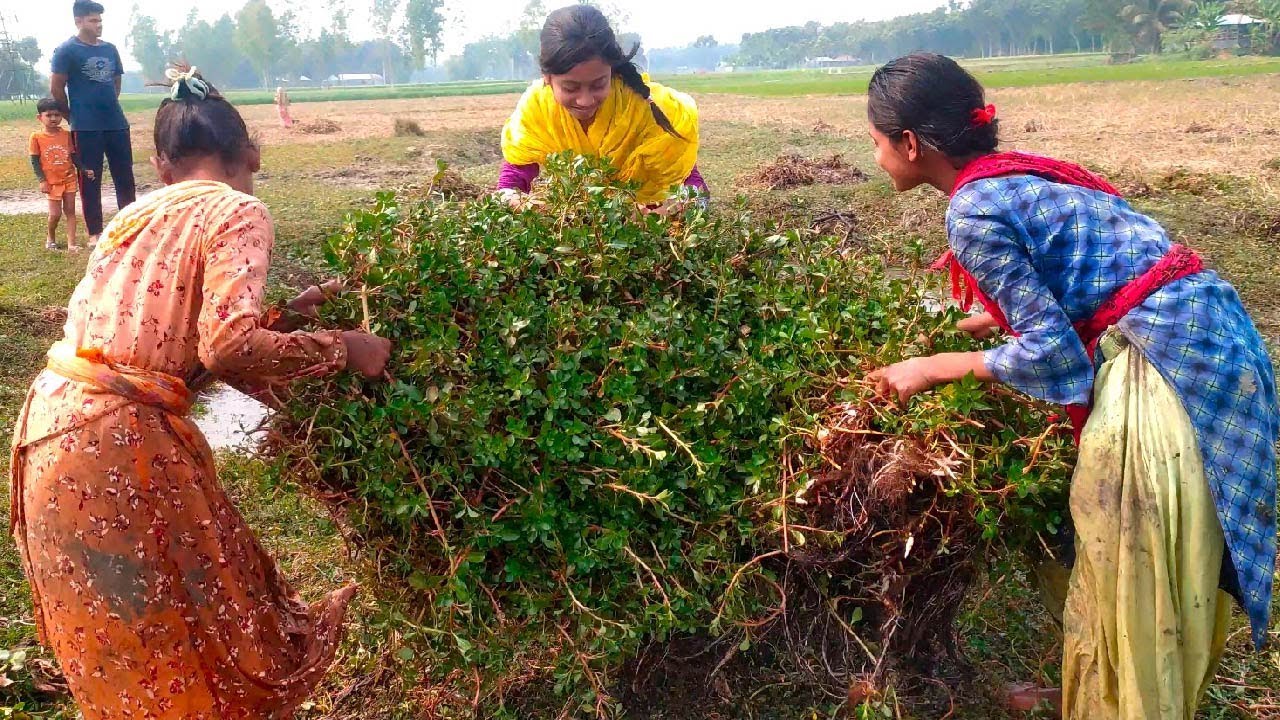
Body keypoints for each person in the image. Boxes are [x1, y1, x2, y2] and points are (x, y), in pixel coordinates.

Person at [863, 53, 1277, 719]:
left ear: (910, 143)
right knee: (1169, 564)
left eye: (877, 141)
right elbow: (1080, 276)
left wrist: (931, 367)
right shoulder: (1015, 174)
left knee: (1135, 569)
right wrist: (984, 319)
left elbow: (1055, 359)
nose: (876, 155)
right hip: (1213, 338)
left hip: (1166, 364)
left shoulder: (972, 208)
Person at [9, 66, 392, 719]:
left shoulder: (134, 216)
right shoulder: (238, 209)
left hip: (49, 424)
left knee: (123, 624)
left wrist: (287, 318)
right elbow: (228, 346)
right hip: (118, 440)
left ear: (162, 167)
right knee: (209, 620)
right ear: (252, 155)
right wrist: (343, 349)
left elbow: (172, 344)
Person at [498, 4, 706, 211]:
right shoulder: (537, 108)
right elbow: (512, 181)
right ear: (547, 77)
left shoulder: (647, 106)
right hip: (580, 219)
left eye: (598, 85)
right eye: (570, 88)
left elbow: (694, 188)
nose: (585, 100)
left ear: (612, 70)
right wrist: (514, 201)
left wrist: (664, 214)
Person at [51, 0, 136, 246]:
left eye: (100, 20)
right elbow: (56, 88)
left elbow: (116, 82)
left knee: (125, 176)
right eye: (93, 20)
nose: (99, 25)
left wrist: (107, 105)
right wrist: (72, 117)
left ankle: (130, 225)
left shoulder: (110, 49)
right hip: (85, 127)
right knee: (90, 179)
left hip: (116, 123)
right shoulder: (66, 50)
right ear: (78, 21)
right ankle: (95, 232)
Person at [29, 97, 93, 253]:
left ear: (62, 116)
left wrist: (84, 169)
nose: (53, 118)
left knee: (70, 211)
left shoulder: (66, 135)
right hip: (51, 182)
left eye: (57, 115)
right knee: (55, 214)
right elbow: (35, 161)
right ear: (40, 117)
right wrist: (42, 180)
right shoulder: (36, 137)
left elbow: (73, 155)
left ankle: (72, 244)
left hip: (69, 178)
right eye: (49, 115)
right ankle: (50, 238)